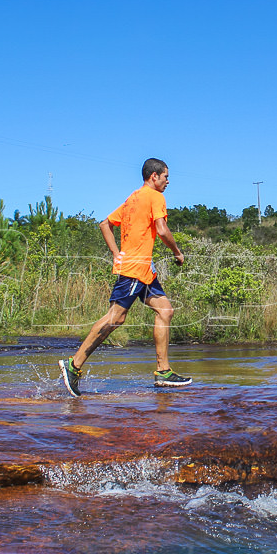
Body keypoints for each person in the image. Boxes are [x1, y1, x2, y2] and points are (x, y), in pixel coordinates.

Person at [58, 158, 189, 396]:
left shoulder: (132, 198)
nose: (168, 181)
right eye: (166, 177)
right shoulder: (155, 197)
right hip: (134, 269)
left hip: (144, 270)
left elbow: (105, 224)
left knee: (165, 310)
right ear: (154, 176)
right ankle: (74, 365)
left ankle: (163, 371)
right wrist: (177, 252)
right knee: (116, 318)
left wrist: (116, 253)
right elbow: (161, 230)